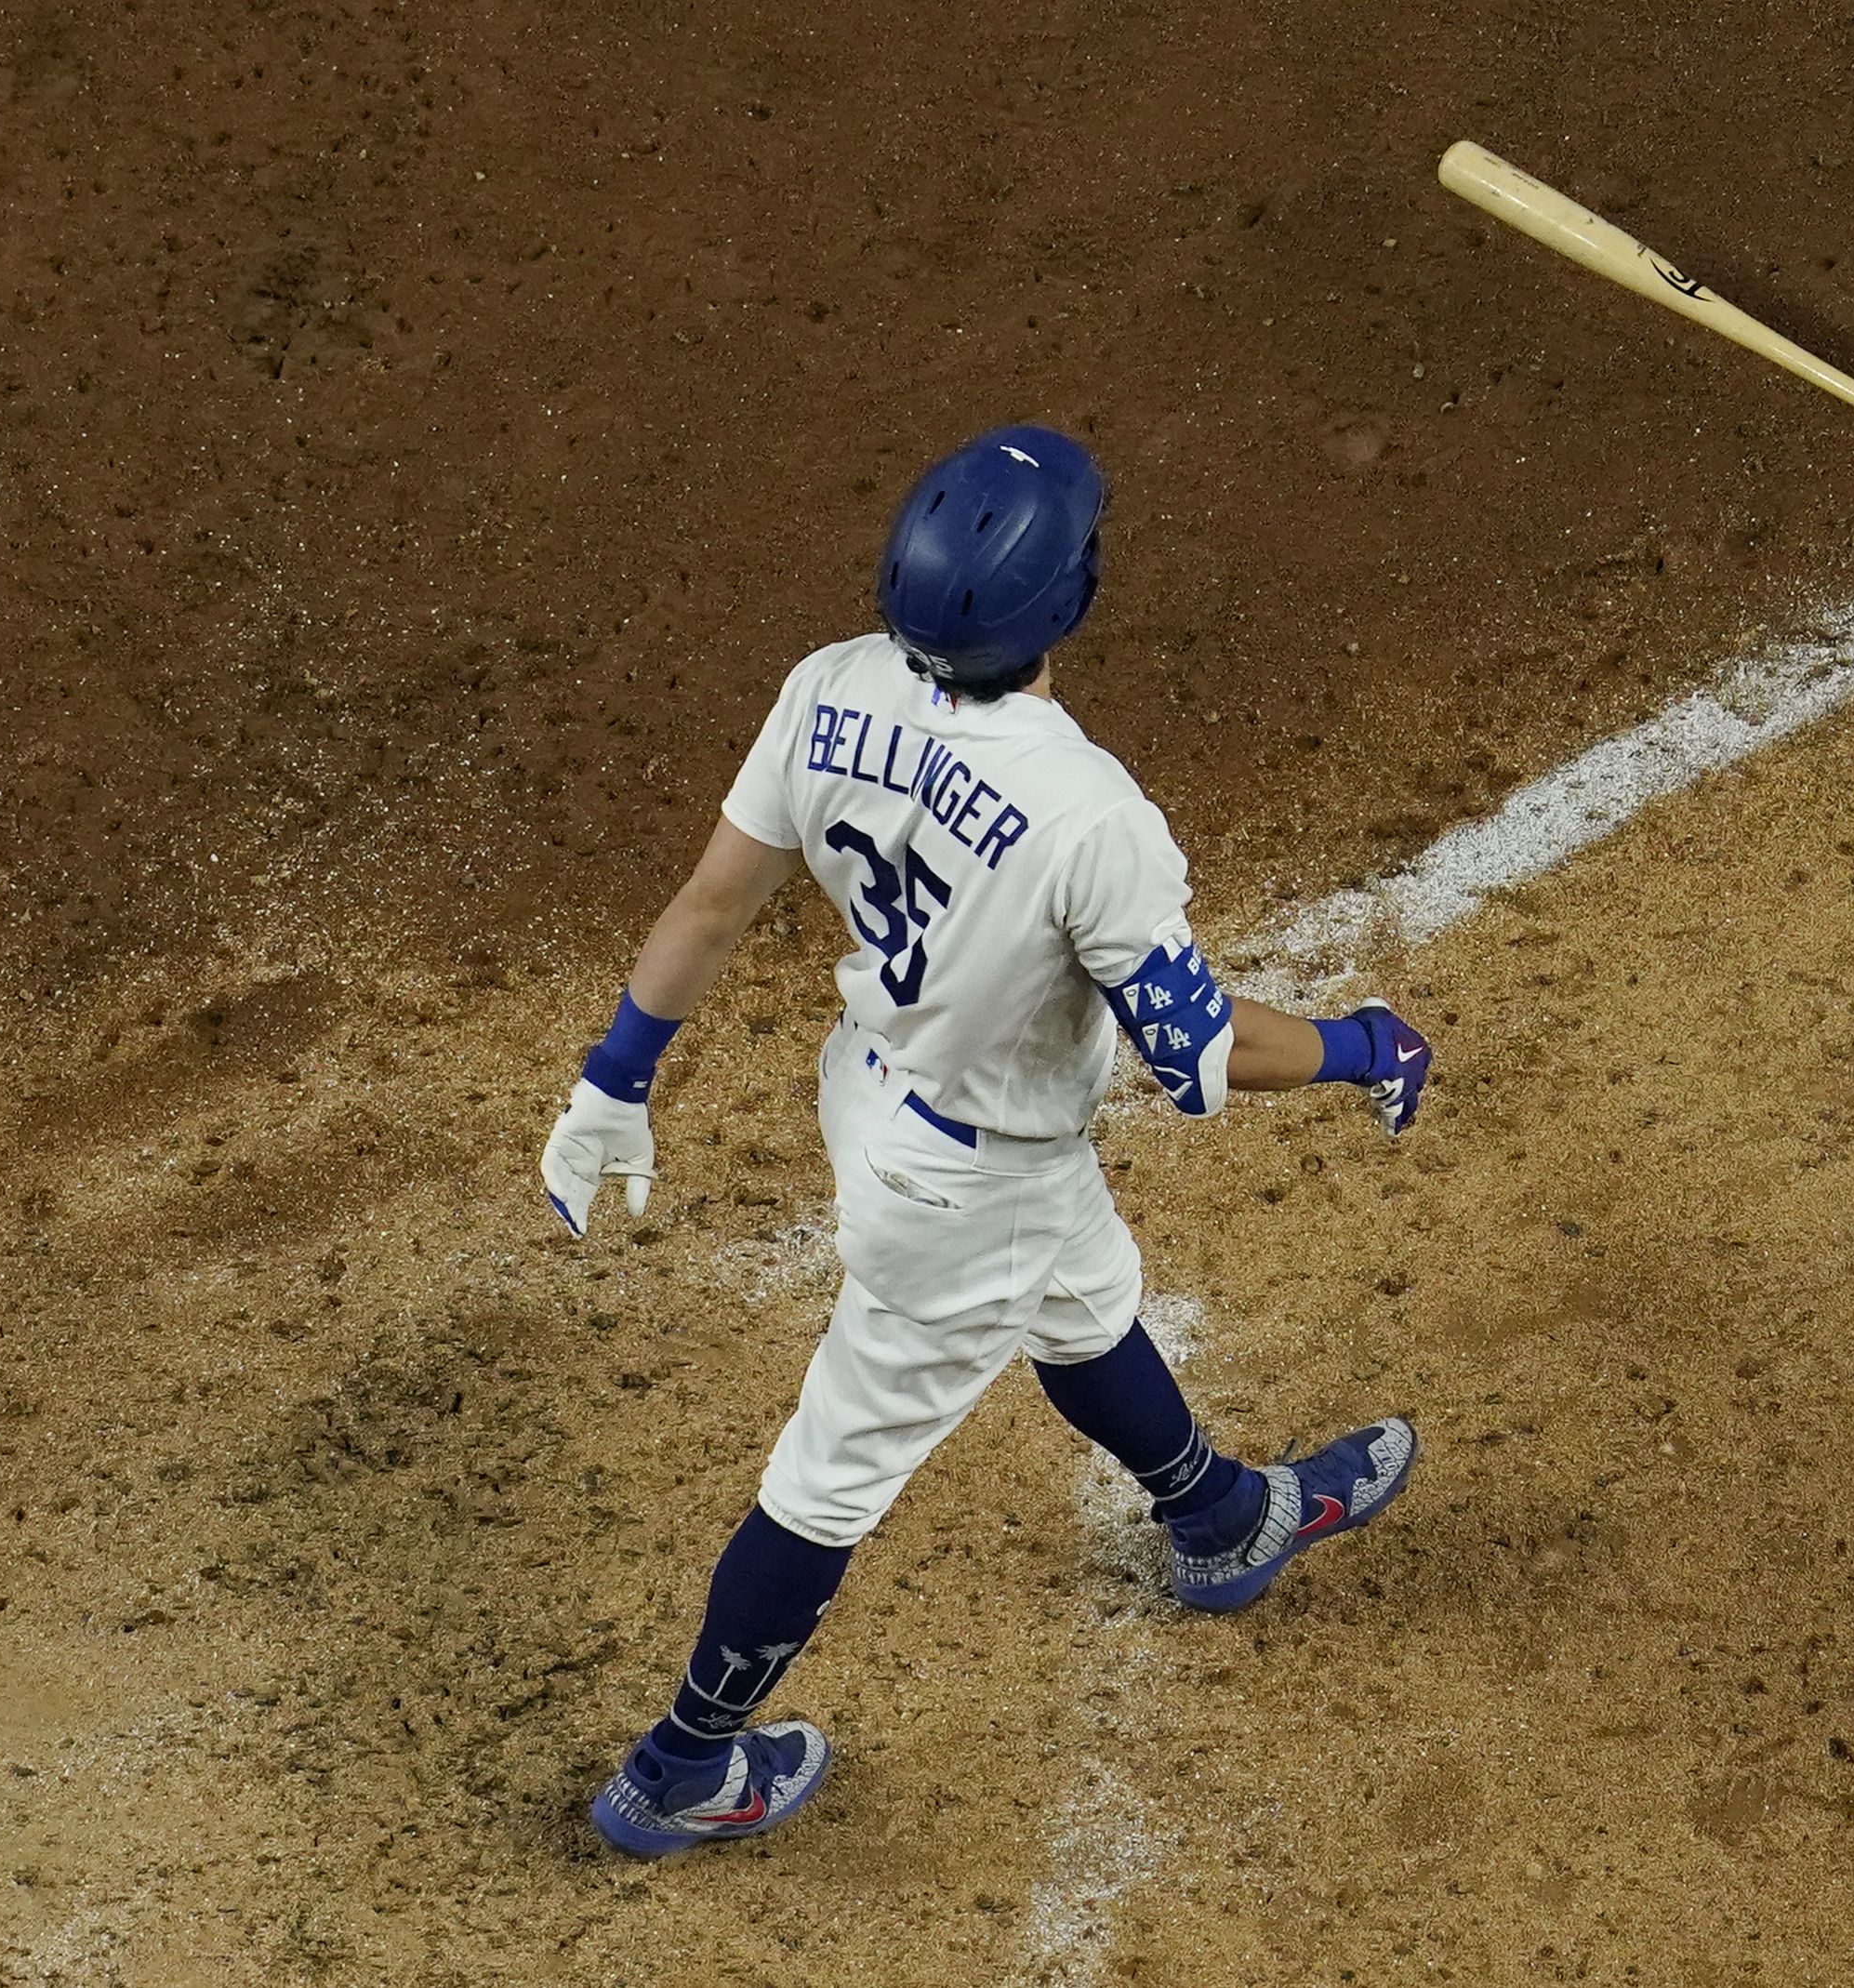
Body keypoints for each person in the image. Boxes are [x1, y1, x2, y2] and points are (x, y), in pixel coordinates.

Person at [539, 425, 1429, 1859]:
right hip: (967, 1183)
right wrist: (1358, 1042)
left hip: (875, 1088)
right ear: (1065, 608)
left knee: (1083, 1295)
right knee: (829, 1475)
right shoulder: (1088, 813)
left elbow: (711, 904)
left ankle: (1218, 1519)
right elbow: (1196, 1057)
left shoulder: (826, 686)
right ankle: (680, 1766)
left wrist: (615, 1077)